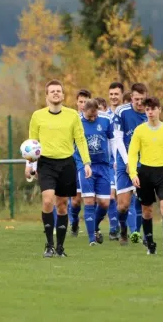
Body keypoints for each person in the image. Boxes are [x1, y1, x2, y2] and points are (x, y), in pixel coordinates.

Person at [26, 80, 91, 257]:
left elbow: (81, 140)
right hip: (46, 163)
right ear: (46, 95)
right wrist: (30, 165)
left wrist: (86, 163)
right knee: (48, 200)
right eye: (52, 91)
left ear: (63, 95)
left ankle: (60, 247)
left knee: (62, 205)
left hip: (67, 163)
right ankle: (49, 244)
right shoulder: (37, 116)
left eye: (58, 91)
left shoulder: (72, 115)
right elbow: (31, 144)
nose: (55, 93)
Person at [128, 97, 163, 256]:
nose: (150, 112)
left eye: (153, 109)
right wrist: (133, 173)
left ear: (159, 110)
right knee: (147, 211)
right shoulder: (140, 130)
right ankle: (150, 243)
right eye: (147, 109)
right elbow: (132, 153)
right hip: (145, 173)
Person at [76, 99, 114, 246]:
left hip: (103, 166)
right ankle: (92, 239)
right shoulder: (77, 122)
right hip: (85, 166)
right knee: (89, 201)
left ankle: (95, 226)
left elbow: (112, 140)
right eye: (89, 116)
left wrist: (114, 159)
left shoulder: (105, 119)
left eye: (95, 115)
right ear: (83, 111)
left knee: (104, 203)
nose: (93, 118)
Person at [114, 83, 148, 245]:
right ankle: (123, 230)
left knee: (142, 200)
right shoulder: (122, 112)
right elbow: (118, 139)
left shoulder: (150, 113)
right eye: (136, 99)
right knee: (123, 205)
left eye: (142, 99)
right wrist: (128, 161)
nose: (139, 103)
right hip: (124, 161)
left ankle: (138, 233)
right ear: (131, 98)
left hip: (144, 162)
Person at [69, 89, 91, 237]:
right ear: (76, 102)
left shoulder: (94, 119)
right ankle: (75, 221)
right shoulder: (71, 120)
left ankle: (94, 229)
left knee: (93, 198)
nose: (83, 104)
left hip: (89, 163)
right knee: (76, 200)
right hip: (74, 163)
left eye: (86, 102)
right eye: (81, 101)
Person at [106, 82, 124, 240]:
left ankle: (125, 226)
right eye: (111, 94)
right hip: (109, 164)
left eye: (116, 94)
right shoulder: (103, 116)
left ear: (122, 95)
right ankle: (113, 228)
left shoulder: (125, 113)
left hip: (124, 161)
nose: (113, 97)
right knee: (111, 196)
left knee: (123, 198)